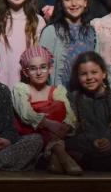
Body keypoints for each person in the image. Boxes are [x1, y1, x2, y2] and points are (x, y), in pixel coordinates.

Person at [9, 46, 81, 175]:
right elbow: (25, 114)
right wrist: (48, 123)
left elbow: (69, 114)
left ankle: (54, 157)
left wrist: (66, 126)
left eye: (43, 67)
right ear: (25, 72)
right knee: (42, 130)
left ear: (50, 69)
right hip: (31, 131)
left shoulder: (57, 90)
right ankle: (61, 154)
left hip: (57, 132)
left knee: (59, 106)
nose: (39, 72)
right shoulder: (21, 89)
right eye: (33, 68)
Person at [38, 0, 96, 88]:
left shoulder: (92, 31)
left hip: (87, 93)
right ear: (61, 4)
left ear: (85, 2)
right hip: (60, 94)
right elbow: (41, 66)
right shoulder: (51, 31)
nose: (74, 3)